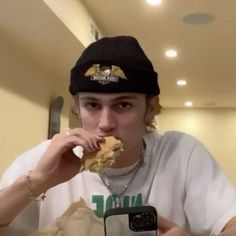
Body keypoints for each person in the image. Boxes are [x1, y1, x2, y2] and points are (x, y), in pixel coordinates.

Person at [0, 35, 236, 236]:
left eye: (123, 105)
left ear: (150, 109)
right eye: (92, 105)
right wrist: (38, 182)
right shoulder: (46, 158)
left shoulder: (181, 153)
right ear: (77, 107)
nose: (105, 124)